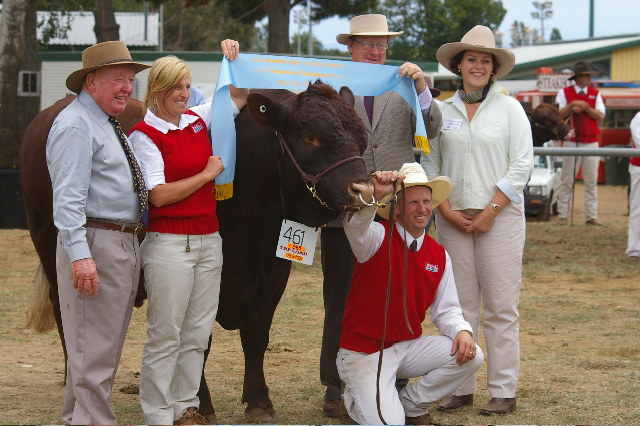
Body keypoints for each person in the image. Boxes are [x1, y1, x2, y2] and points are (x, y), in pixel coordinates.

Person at [320, 13, 442, 417]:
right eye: (367, 44)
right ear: (350, 47)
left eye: (382, 44)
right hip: (344, 216)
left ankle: (395, 381)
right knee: (340, 300)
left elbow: (436, 127)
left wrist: (422, 90)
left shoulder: (405, 84)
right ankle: (334, 387)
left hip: (396, 218)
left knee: (398, 300)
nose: (376, 51)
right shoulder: (330, 91)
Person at [127, 40, 248, 426]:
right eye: (177, 87)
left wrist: (233, 59)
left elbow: (240, 94)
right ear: (158, 90)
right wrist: (207, 175)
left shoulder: (197, 119)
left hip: (208, 241)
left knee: (196, 333)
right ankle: (158, 415)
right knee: (166, 334)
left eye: (187, 85)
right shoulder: (144, 135)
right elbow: (159, 196)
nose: (184, 93)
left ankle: (185, 407)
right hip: (169, 245)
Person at [421, 25, 533, 415]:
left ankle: (503, 390)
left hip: (499, 220)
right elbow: (431, 162)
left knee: (500, 307)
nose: (479, 65)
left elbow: (522, 165)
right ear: (458, 64)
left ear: (494, 68)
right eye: (472, 59)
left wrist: (491, 210)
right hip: (452, 219)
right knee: (458, 307)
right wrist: (446, 210)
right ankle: (461, 385)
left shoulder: (510, 108)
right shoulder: (442, 111)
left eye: (486, 60)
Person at [46, 41, 150, 425]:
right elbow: (67, 201)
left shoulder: (100, 121)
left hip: (114, 241)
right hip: (96, 242)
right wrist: (80, 255)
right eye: (118, 79)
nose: (127, 87)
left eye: (130, 80)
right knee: (94, 356)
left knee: (94, 353)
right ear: (91, 82)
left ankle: (78, 419)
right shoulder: (75, 125)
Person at [338, 163, 483, 425]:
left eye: (426, 201)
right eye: (413, 202)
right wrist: (375, 195)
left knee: (472, 355)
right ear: (397, 207)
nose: (422, 209)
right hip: (363, 353)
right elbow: (354, 227)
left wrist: (462, 331)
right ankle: (353, 400)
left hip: (405, 349)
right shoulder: (377, 237)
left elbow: (447, 310)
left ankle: (411, 404)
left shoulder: (438, 254)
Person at [555, 62, 606, 226]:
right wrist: (571, 106)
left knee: (591, 181)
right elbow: (558, 116)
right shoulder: (564, 93)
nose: (589, 78)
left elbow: (600, 115)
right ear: (578, 77)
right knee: (567, 180)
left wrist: (585, 108)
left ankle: (591, 216)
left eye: (589, 75)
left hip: (591, 142)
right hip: (571, 141)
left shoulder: (595, 93)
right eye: (586, 75)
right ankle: (562, 215)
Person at [627, 111, 640, 260]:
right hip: (639, 167)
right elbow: (638, 140)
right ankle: (634, 248)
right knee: (637, 206)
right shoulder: (639, 117)